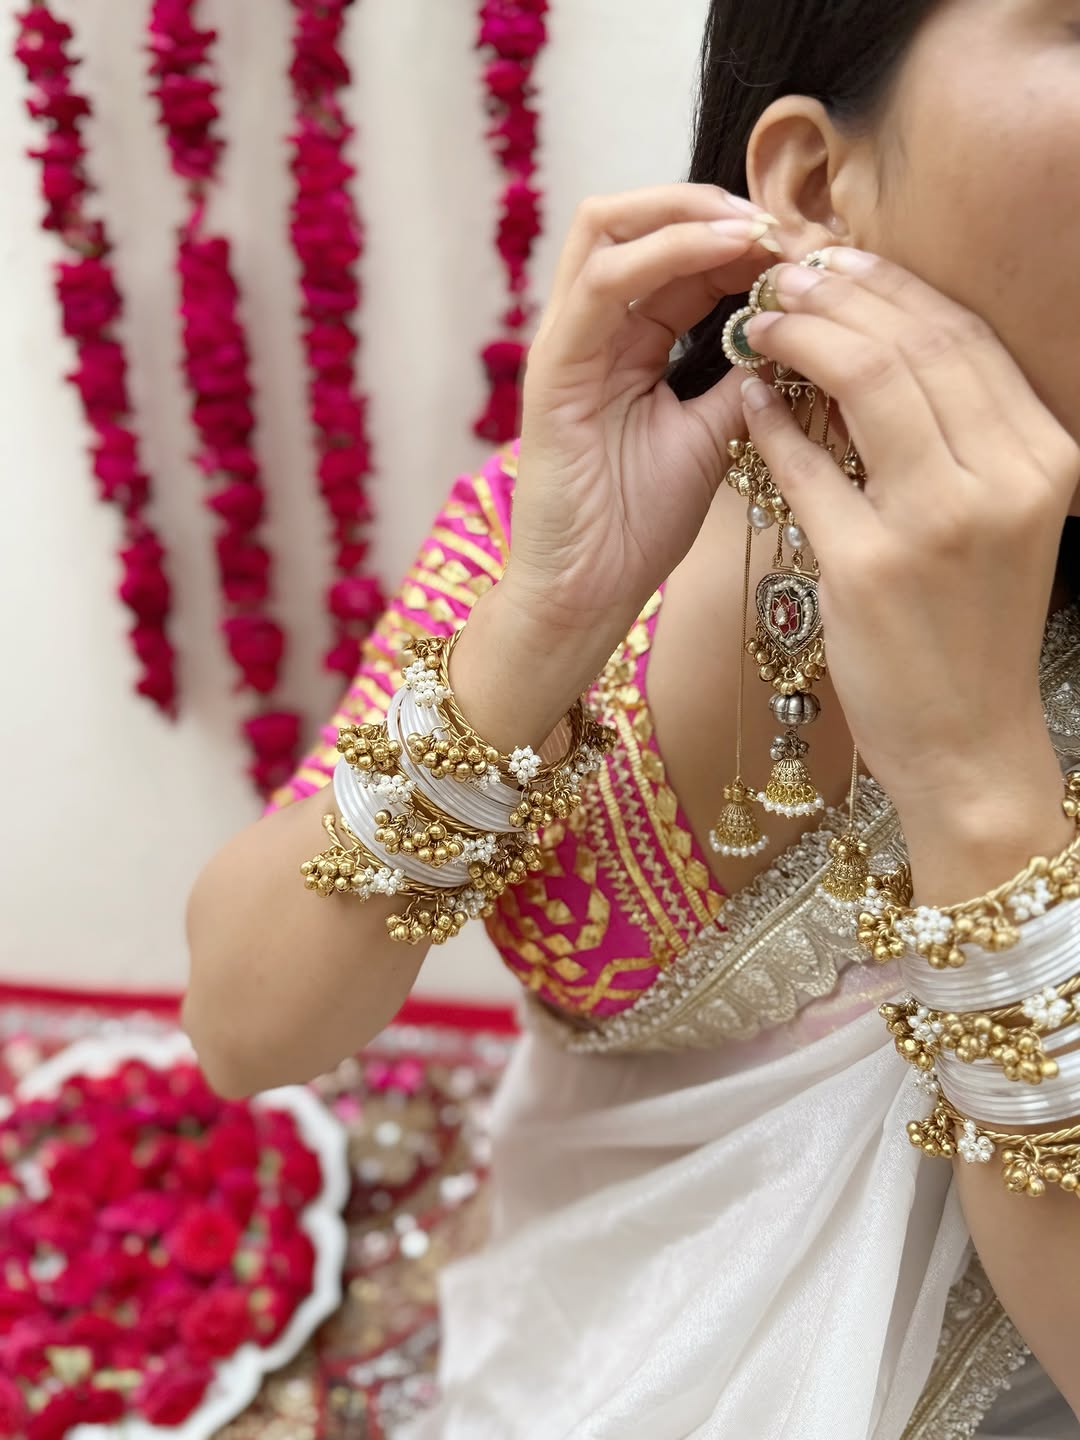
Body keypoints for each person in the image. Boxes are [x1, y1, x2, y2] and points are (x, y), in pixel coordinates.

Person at [183, 0, 1080, 1434]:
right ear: (812, 182)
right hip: (574, 1357)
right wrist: (540, 629)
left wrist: (976, 772)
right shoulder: (568, 530)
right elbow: (244, 1031)